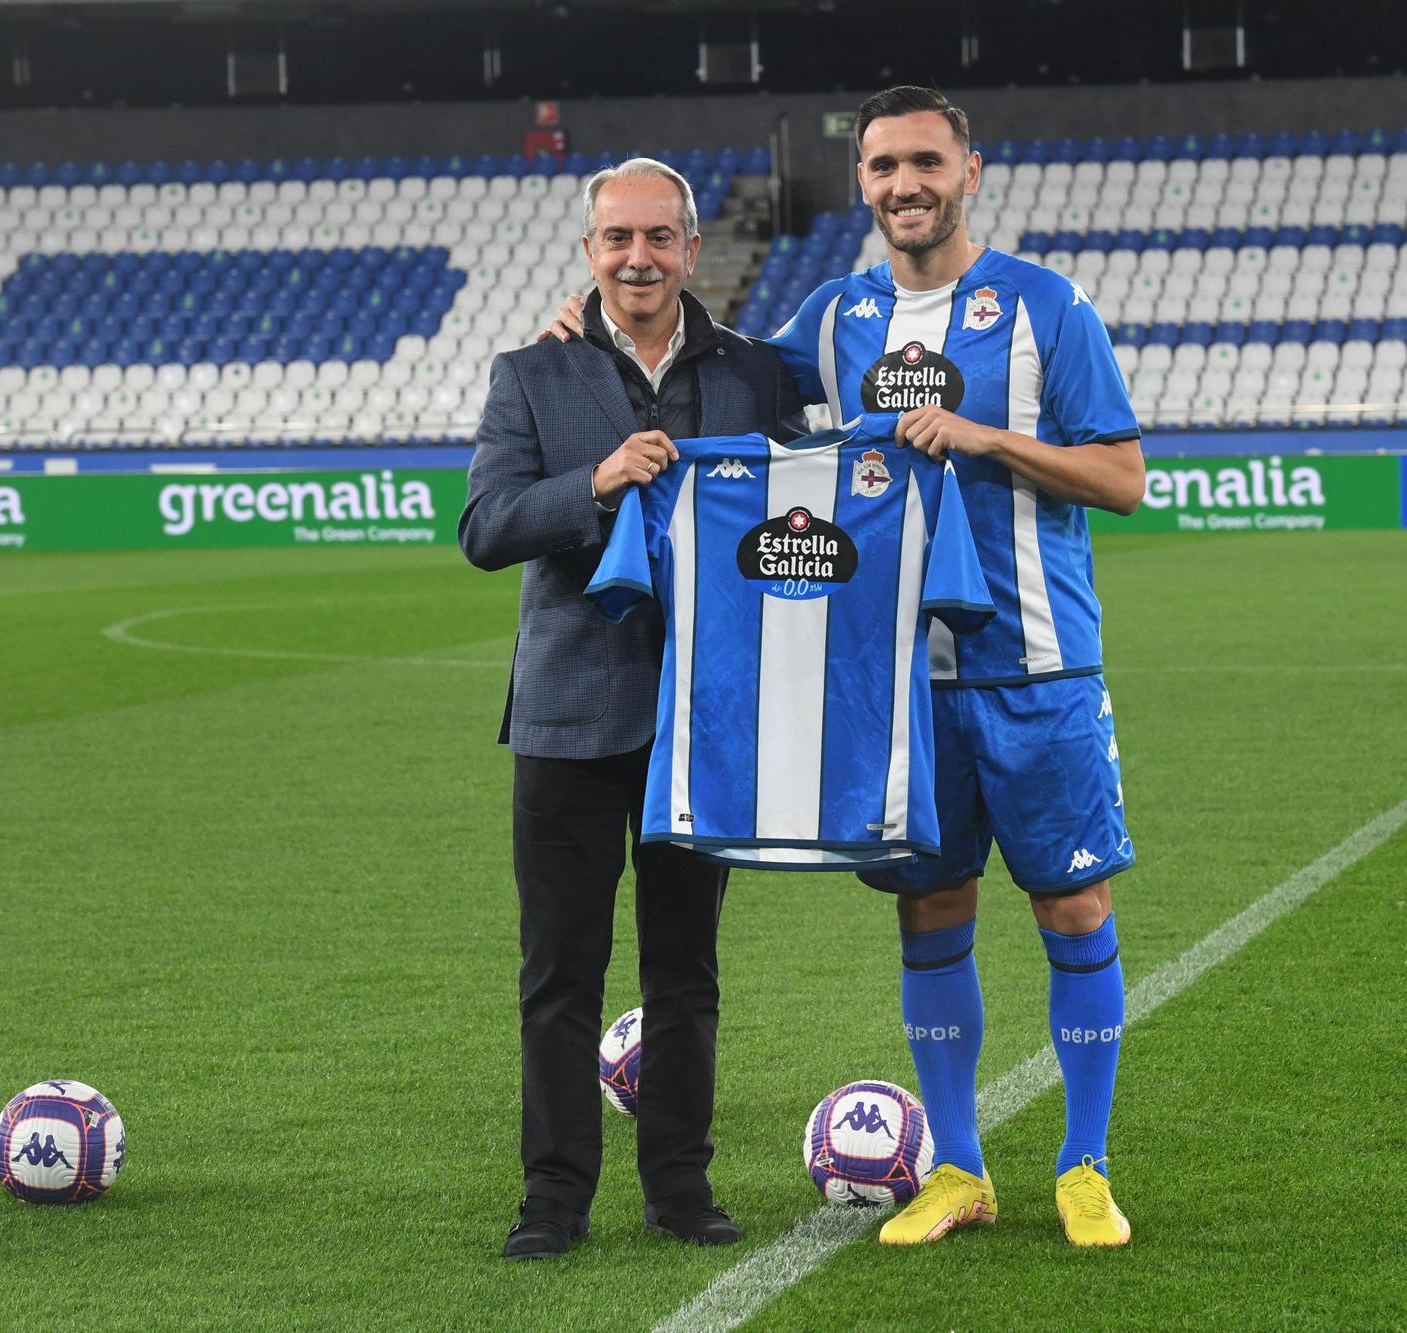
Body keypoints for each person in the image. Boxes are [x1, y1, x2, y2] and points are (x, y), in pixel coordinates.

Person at [543, 88, 1145, 1248]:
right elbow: (713, 383)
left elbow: (1120, 477)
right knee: (931, 908)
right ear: (861, 182)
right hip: (898, 685)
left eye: (925, 161)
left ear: (970, 168)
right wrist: (599, 317)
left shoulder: (1043, 309)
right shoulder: (832, 318)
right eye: (881, 166)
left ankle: (1083, 1163)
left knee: (1071, 902)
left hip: (1037, 664)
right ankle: (958, 1169)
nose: (902, 185)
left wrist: (981, 440)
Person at [460, 156, 805, 1260]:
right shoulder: (530, 373)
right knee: (558, 973)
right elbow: (487, 527)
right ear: (588, 251)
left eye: (659, 238)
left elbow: (806, 501)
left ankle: (678, 1188)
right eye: (617, 239)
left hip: (701, 719)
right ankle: (552, 1199)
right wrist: (598, 482)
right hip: (566, 716)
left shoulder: (753, 373)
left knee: (683, 970)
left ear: (692, 249)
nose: (639, 257)